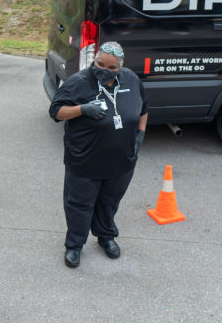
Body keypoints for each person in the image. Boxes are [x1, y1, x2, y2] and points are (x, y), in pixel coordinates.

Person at [49, 41, 149, 268]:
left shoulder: (132, 80)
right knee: (79, 205)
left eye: (112, 67)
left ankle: (105, 236)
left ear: (120, 67)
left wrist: (140, 135)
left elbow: (143, 109)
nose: (104, 70)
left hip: (121, 161)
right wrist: (82, 109)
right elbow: (56, 110)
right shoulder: (79, 82)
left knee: (109, 202)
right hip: (85, 160)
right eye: (99, 63)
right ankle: (74, 245)